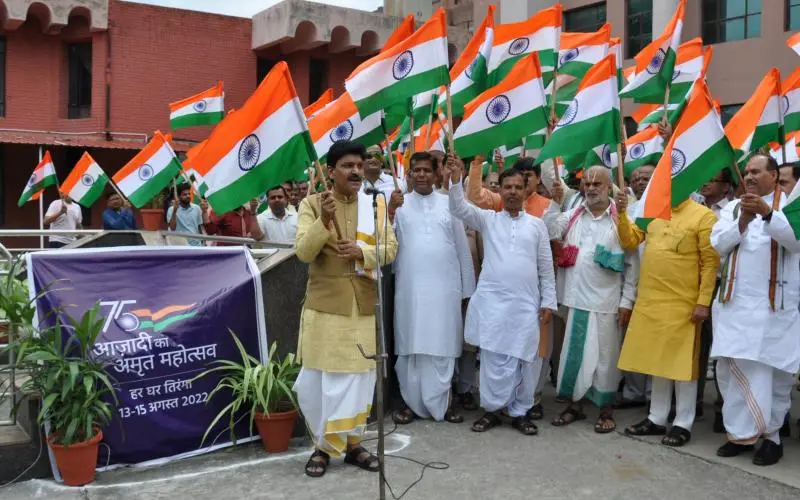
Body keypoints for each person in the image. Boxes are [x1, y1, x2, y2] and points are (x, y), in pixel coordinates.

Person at [293, 140, 398, 478]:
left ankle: (353, 444)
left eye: (359, 164)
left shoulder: (375, 203)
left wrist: (363, 254)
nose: (356, 171)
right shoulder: (311, 204)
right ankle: (323, 448)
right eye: (347, 165)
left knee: (359, 379)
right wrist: (324, 221)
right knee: (321, 380)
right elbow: (303, 253)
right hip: (325, 309)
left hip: (364, 305)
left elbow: (391, 248)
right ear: (331, 171)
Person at [446, 157, 557, 436]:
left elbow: (545, 267)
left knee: (525, 360)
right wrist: (456, 179)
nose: (511, 192)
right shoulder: (489, 219)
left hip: (525, 305)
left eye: (517, 187)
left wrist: (548, 302)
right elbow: (458, 207)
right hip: (493, 302)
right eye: (507, 187)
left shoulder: (537, 225)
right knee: (493, 357)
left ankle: (520, 412)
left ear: (525, 190)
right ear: (501, 191)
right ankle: (492, 410)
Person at [711, 154, 800, 466]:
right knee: (731, 374)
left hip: (774, 312)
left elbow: (795, 241)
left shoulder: (790, 205)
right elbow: (718, 244)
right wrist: (742, 222)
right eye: (746, 171)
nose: (748, 176)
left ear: (773, 176)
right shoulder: (733, 209)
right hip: (733, 309)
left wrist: (767, 214)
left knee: (771, 375)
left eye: (756, 171)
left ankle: (771, 437)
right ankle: (739, 435)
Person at [615, 182, 719, 448]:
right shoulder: (652, 213)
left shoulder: (703, 215)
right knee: (657, 363)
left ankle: (683, 423)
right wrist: (623, 213)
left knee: (682, 367)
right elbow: (630, 240)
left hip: (684, 304)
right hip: (651, 301)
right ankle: (656, 418)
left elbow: (710, 263)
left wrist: (703, 302)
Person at [548, 166, 637, 434]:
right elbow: (549, 229)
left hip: (607, 304)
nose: (591, 188)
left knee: (605, 360)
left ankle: (605, 410)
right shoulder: (574, 214)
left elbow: (633, 263)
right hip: (574, 300)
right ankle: (574, 406)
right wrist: (554, 201)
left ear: (610, 186)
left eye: (597, 183)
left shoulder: (621, 219)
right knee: (574, 356)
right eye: (587, 183)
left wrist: (627, 301)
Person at [392, 152, 476, 424]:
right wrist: (390, 211)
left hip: (444, 289)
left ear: (436, 173)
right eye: (416, 170)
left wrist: (468, 292)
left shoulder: (449, 204)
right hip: (410, 289)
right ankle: (411, 404)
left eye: (427, 170)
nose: (421, 175)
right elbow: (385, 245)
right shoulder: (399, 205)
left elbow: (463, 250)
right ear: (408, 174)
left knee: (443, 345)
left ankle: (444, 402)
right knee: (411, 347)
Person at [697, 168, 734, 430]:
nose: (707, 183)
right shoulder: (693, 206)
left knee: (722, 348)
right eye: (705, 178)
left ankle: (725, 407)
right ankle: (693, 400)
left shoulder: (734, 210)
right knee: (696, 345)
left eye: (713, 179)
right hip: (693, 284)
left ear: (727, 186)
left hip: (722, 285)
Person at [616, 164, 655, 409]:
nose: (641, 181)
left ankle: (654, 395)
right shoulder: (627, 210)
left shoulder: (665, 207)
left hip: (660, 287)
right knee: (631, 341)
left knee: (654, 343)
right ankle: (633, 392)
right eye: (637, 178)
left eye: (647, 177)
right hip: (631, 283)